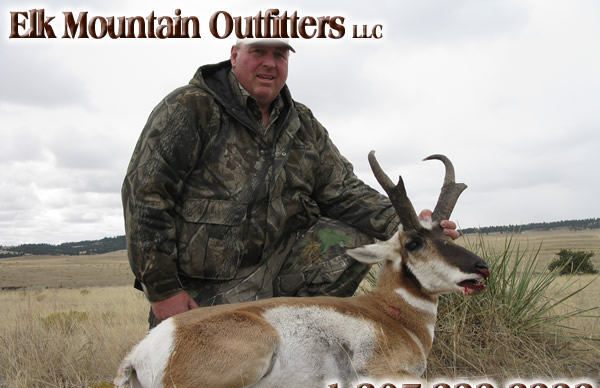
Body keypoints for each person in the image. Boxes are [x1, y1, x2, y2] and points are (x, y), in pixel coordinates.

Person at [122, 38, 459, 328]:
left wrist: (414, 228)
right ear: (235, 55)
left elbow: (344, 191)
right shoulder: (189, 108)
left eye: (280, 55)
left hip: (278, 275)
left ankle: (296, 340)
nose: (270, 64)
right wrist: (164, 291)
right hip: (205, 291)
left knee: (356, 238)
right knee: (200, 374)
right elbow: (146, 197)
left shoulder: (303, 124)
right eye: (259, 52)